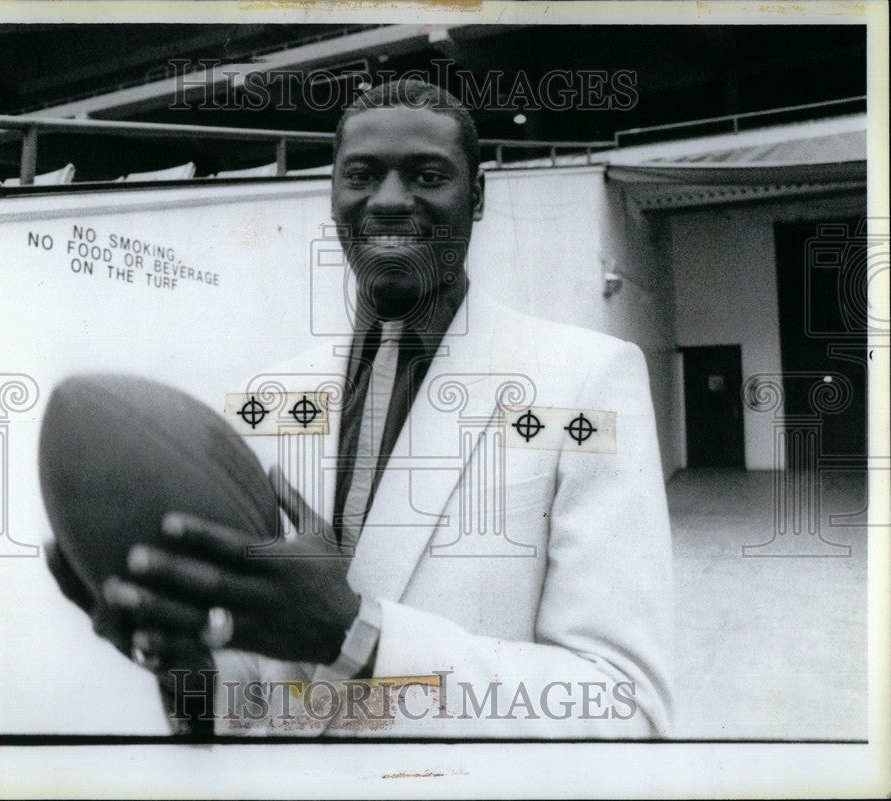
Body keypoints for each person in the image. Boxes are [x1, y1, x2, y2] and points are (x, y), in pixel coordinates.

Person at [46, 79, 673, 738]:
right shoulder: (274, 396)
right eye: (362, 175)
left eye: (428, 175)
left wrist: (363, 639)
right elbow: (266, 698)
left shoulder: (586, 381)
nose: (392, 200)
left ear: (478, 196)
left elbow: (626, 702)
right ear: (334, 194)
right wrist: (187, 676)